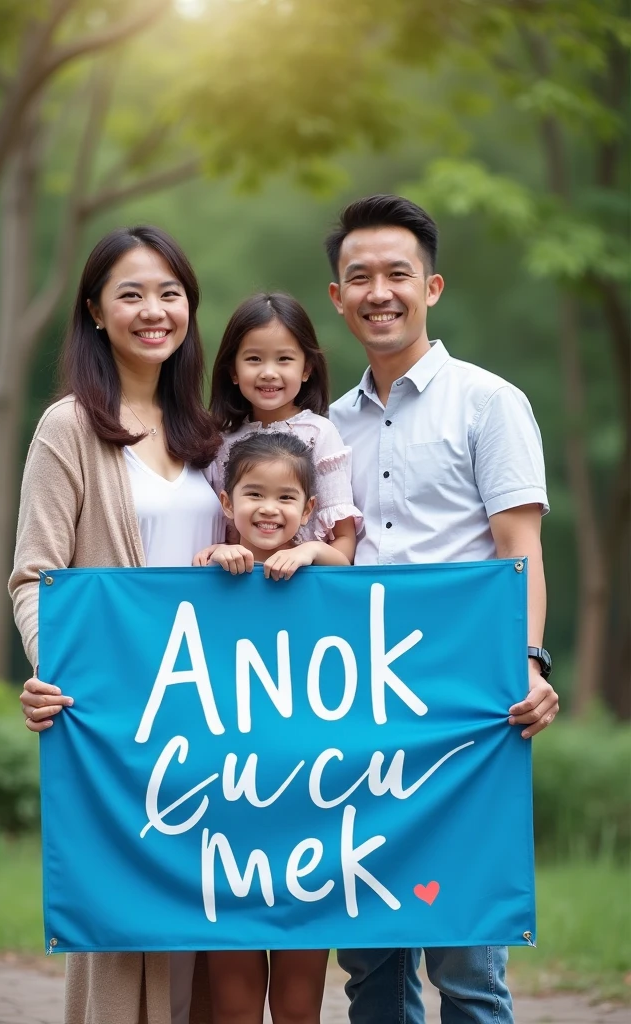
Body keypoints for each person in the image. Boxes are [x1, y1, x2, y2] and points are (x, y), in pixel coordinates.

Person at [325, 194, 559, 1024]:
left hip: (464, 712)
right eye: (360, 277)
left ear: (433, 287)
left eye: (398, 274)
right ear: (337, 297)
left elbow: (518, 549)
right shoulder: (324, 428)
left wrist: (529, 663)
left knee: (466, 965)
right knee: (372, 969)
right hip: (352, 707)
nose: (379, 292)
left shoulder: (489, 402)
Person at [9, 225, 223, 1024]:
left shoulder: (211, 431)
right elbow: (35, 575)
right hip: (122, 719)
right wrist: (56, 669)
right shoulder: (69, 428)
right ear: (96, 312)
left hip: (219, 718)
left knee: (214, 932)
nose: (153, 310)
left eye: (170, 293)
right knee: (128, 931)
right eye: (131, 294)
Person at [195, 430, 343, 1022]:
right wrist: (217, 558)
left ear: (309, 511)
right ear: (226, 503)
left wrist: (311, 552)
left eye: (286, 499)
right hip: (227, 825)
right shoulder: (206, 574)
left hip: (309, 822)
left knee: (299, 1002)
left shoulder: (325, 577)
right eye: (253, 494)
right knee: (232, 1000)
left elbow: (343, 559)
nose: (269, 509)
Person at [204, 292, 362, 565]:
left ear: (306, 369)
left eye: (284, 359)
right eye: (254, 359)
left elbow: (344, 541)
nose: (268, 372)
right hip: (237, 589)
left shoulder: (319, 434)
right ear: (233, 371)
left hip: (304, 590)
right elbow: (219, 531)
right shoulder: (220, 441)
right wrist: (217, 552)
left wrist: (308, 551)